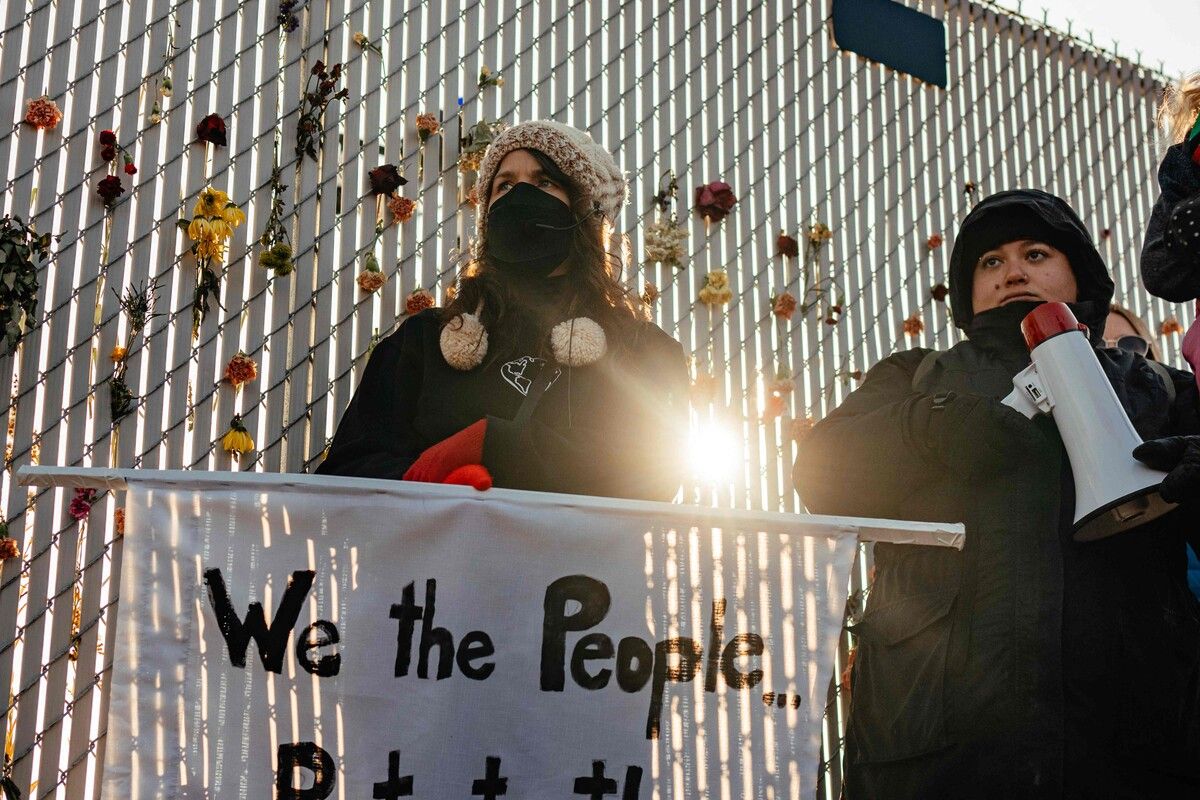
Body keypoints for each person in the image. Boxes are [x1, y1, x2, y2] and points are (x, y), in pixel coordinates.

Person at [793, 189, 1200, 798]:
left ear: (1078, 273)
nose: (1013, 272)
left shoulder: (1162, 390)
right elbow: (822, 474)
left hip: (1131, 745)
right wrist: (924, 424)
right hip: (935, 749)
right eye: (990, 262)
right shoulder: (916, 376)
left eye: (1036, 253)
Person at [317, 120, 689, 502]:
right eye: (505, 185)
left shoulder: (643, 351)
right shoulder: (423, 341)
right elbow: (349, 468)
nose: (520, 196)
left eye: (545, 181)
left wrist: (491, 445)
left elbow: (652, 477)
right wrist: (431, 485)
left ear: (584, 212)